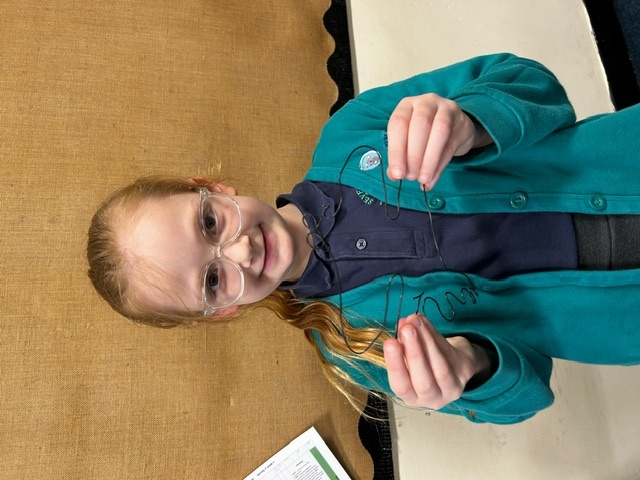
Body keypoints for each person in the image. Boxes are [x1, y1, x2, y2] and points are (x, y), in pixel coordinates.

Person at [87, 53, 640, 424]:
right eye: (212, 280)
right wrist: (470, 368)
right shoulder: (352, 347)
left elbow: (535, 84)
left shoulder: (352, 129)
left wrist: (471, 120)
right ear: (222, 312)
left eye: (210, 224)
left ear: (212, 188)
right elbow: (526, 394)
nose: (241, 250)